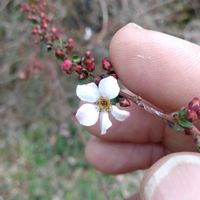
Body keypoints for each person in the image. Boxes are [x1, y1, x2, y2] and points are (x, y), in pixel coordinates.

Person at [84, 23, 200, 200]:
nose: (103, 104)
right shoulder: (104, 101)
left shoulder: (108, 92)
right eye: (102, 103)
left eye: (104, 102)